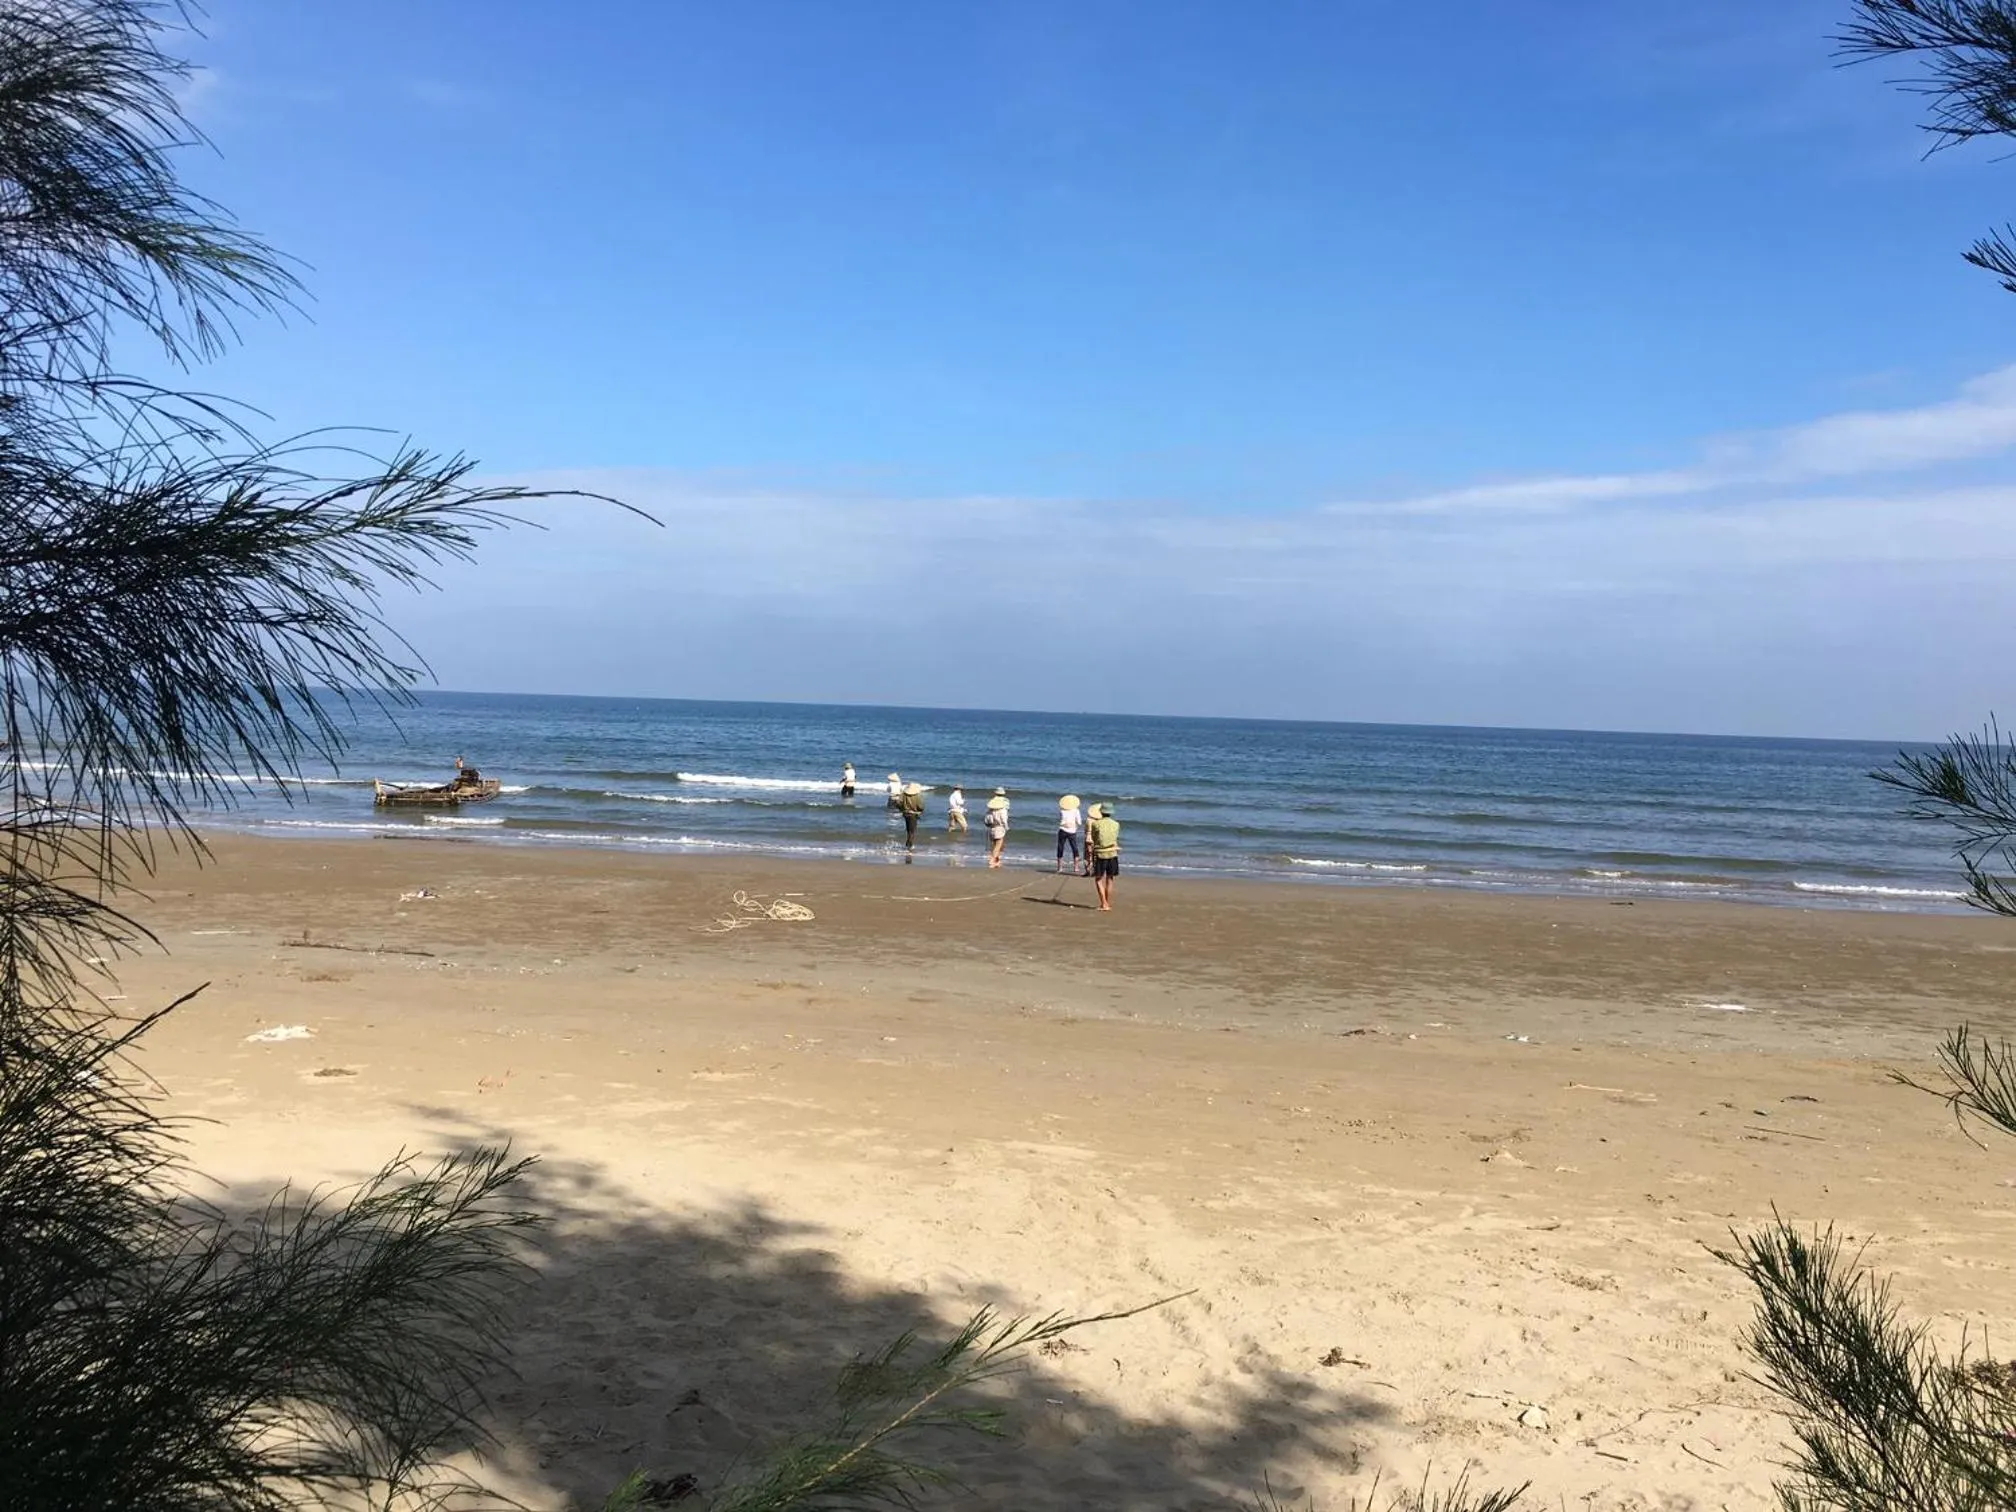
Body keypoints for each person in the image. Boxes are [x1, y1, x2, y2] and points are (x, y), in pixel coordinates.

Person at [1088, 800, 1121, 911]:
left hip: (1100, 854)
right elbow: (1115, 837)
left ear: (1101, 812)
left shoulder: (1096, 824)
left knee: (1098, 878)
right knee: (1110, 878)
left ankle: (1104, 903)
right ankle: (1107, 902)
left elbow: (1094, 838)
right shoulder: (1116, 824)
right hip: (1112, 853)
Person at [1055, 794, 1082, 874]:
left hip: (1062, 830)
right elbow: (1079, 822)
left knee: (1060, 847)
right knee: (1074, 848)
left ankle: (1060, 867)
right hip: (1072, 831)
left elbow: (1061, 821)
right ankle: (1076, 867)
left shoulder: (1062, 811)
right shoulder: (1076, 810)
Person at [983, 788, 1010, 868]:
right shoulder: (1003, 809)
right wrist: (1006, 827)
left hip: (992, 827)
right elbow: (1004, 819)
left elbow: (986, 820)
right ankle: (992, 860)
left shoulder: (990, 810)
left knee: (994, 845)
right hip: (999, 827)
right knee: (998, 845)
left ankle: (997, 861)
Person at [898, 781, 925, 857]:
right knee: (912, 831)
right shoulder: (917, 796)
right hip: (913, 814)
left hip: (905, 814)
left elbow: (898, 803)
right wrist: (920, 810)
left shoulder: (903, 795)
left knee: (908, 829)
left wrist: (902, 809)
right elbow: (921, 806)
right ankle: (909, 846)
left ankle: (908, 844)